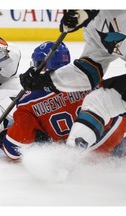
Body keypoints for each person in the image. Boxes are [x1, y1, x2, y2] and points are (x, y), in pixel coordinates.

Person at [19, 10, 126, 152]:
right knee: (98, 103)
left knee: (100, 102)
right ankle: (70, 159)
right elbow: (90, 71)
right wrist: (46, 81)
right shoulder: (93, 28)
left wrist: (86, 11)